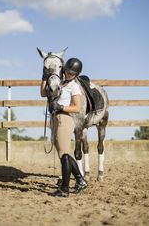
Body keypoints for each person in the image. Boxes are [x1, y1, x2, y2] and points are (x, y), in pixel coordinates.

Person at [40, 58, 88, 197]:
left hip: (64, 119)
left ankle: (65, 189)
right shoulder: (59, 82)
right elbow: (43, 93)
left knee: (64, 154)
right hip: (55, 118)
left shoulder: (74, 87)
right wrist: (44, 77)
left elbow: (77, 108)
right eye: (67, 71)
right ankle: (80, 180)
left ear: (76, 74)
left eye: (72, 73)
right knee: (64, 153)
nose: (68, 74)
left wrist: (61, 106)